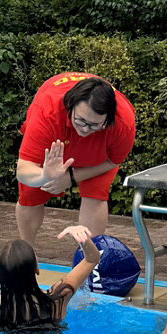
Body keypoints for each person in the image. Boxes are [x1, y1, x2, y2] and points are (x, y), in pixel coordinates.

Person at [15, 73, 136, 248]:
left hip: (99, 152)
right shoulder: (47, 113)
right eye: (81, 121)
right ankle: (26, 254)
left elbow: (112, 161)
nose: (85, 129)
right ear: (70, 107)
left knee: (96, 193)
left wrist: (70, 177)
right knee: (31, 192)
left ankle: (91, 257)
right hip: (55, 134)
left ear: (108, 119)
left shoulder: (123, 123)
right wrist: (44, 176)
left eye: (94, 124)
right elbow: (23, 171)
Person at [0, 225, 101, 333]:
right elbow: (92, 259)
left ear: (1, 274)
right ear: (36, 270)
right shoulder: (56, 299)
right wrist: (83, 239)